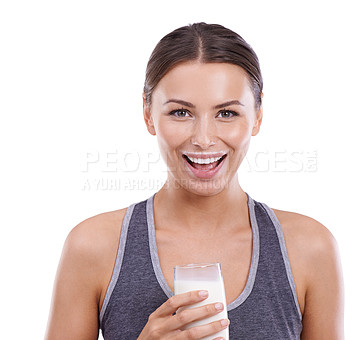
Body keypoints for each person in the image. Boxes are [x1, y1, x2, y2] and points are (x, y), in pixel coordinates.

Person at [45, 22, 344, 339]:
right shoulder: (93, 247)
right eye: (180, 113)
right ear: (148, 114)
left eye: (226, 113)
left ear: (257, 116)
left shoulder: (310, 248)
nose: (203, 139)